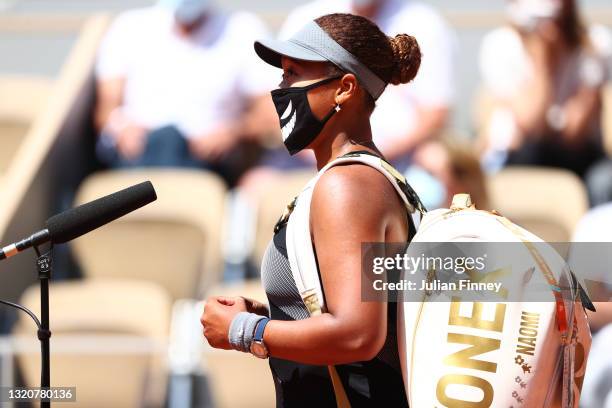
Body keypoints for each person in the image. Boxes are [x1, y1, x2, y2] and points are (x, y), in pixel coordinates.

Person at [201, 13, 422, 406]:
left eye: (292, 74)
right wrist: (278, 312)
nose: (281, 88)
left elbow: (357, 334)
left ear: (345, 88)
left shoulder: (348, 185)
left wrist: (245, 329)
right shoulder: (361, 178)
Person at [94, 0, 277, 184]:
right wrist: (122, 127)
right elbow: (106, 109)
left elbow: (269, 112)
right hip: (139, 157)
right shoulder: (128, 26)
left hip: (207, 163)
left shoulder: (244, 29)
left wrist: (233, 132)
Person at [478, 0, 612, 178]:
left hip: (578, 157)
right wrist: (543, 64)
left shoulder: (595, 44)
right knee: (527, 155)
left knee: (602, 178)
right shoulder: (500, 45)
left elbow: (574, 133)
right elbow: (531, 124)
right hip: (519, 156)